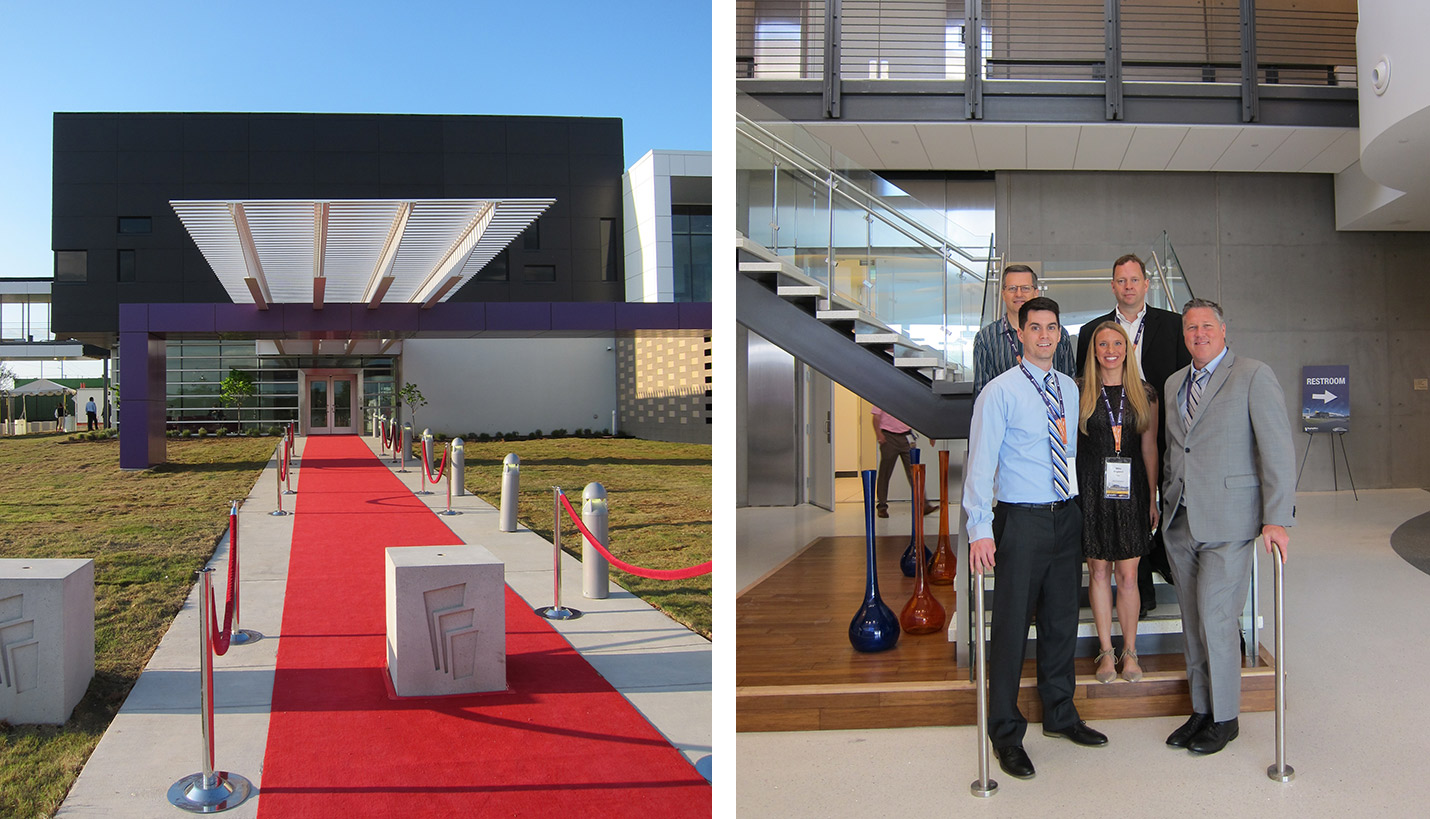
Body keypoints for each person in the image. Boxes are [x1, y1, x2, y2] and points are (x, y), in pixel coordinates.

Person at [964, 296, 1107, 782]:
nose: (1045, 335)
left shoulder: (1068, 388)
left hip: (1064, 517)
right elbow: (981, 464)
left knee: (1062, 620)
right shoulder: (999, 392)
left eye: (1052, 328)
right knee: (1009, 630)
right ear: (1020, 335)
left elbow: (1066, 454)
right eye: (1035, 328)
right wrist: (979, 528)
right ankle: (1005, 733)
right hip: (1019, 522)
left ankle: (1060, 714)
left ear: (1060, 334)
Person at [1161, 298, 1294, 755]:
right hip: (1180, 520)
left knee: (1218, 618)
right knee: (1194, 621)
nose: (1198, 334)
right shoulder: (1175, 382)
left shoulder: (1253, 374)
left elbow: (1277, 448)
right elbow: (1177, 450)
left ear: (1222, 330)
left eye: (1205, 326)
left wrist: (1276, 517)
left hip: (1230, 521)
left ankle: (1225, 718)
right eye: (1190, 328)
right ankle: (1201, 709)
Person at [1075, 253, 1190, 617]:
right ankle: (1135, 597)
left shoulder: (1172, 325)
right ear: (1113, 286)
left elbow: (1182, 384)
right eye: (1121, 281)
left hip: (1155, 433)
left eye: (1134, 280)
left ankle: (1156, 573)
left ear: (1146, 284)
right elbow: (1084, 388)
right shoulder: (1092, 331)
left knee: (1146, 516)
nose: (1128, 286)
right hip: (1107, 442)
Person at [1076, 322, 1159, 684]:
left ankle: (1131, 652)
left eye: (1117, 343)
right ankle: (1106, 653)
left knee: (1127, 576)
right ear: (1094, 351)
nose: (1110, 349)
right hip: (1092, 489)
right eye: (1102, 343)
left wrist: (1152, 497)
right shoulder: (1078, 391)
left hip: (1132, 491)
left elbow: (1149, 447)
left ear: (1127, 348)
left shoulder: (1145, 393)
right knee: (1098, 572)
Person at [973, 264, 1075, 395]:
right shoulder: (986, 338)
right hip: (1007, 414)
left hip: (1051, 413)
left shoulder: (1057, 335)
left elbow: (1067, 384)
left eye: (1025, 288)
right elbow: (983, 395)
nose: (1019, 294)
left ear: (1036, 292)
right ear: (1003, 294)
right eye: (1012, 288)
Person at [871, 405, 936, 519]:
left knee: (914, 472)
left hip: (906, 437)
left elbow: (920, 417)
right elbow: (876, 417)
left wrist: (931, 434)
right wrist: (878, 434)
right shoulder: (883, 396)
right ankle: (882, 507)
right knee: (885, 473)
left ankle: (923, 505)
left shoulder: (906, 398)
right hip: (889, 436)